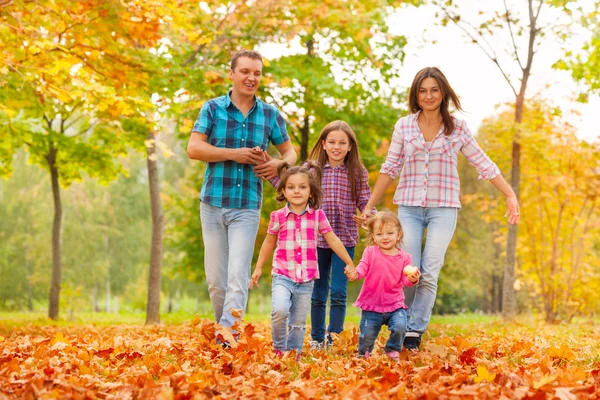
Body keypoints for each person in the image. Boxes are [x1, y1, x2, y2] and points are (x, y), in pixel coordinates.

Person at [357, 67, 520, 350]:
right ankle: (400, 322)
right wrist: (370, 206)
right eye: (423, 90)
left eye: (434, 90)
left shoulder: (457, 129)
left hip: (444, 208)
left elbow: (483, 162)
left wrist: (509, 193)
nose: (429, 95)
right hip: (408, 207)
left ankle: (413, 332)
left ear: (443, 92)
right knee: (408, 269)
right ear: (416, 95)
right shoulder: (404, 126)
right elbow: (390, 167)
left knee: (430, 271)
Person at [186, 50, 297, 338]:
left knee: (238, 275)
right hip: (212, 203)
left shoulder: (270, 114)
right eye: (246, 71)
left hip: (247, 206)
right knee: (216, 281)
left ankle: (228, 334)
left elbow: (291, 152)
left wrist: (278, 163)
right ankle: (227, 328)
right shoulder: (212, 109)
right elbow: (194, 148)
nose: (252, 78)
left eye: (257, 73)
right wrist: (233, 154)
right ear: (232, 74)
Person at [249, 162, 355, 358]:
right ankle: (280, 349)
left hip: (306, 278)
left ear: (311, 193)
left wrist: (349, 262)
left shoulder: (318, 216)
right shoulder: (278, 216)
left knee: (298, 323)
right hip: (282, 273)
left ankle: (294, 355)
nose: (296, 191)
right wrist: (257, 268)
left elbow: (332, 239)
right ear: (283, 191)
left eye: (302, 187)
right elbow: (268, 242)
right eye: (291, 187)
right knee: (280, 311)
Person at [306, 121, 371, 350]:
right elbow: (297, 192)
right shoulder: (312, 170)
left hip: (344, 239)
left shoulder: (357, 172)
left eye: (342, 143)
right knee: (319, 291)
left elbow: (365, 200)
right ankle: (316, 339)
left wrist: (368, 216)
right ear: (323, 144)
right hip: (316, 239)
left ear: (350, 146)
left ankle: (335, 339)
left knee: (338, 292)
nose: (336, 147)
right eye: (332, 142)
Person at [345, 211, 420, 360]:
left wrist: (412, 279)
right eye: (379, 234)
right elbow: (362, 268)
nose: (385, 237)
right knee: (367, 333)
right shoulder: (370, 252)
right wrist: (355, 273)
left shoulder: (405, 257)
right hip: (372, 304)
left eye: (390, 233)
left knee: (400, 326)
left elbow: (405, 282)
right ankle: (364, 354)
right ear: (373, 236)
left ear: (399, 234)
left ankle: (392, 349)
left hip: (395, 304)